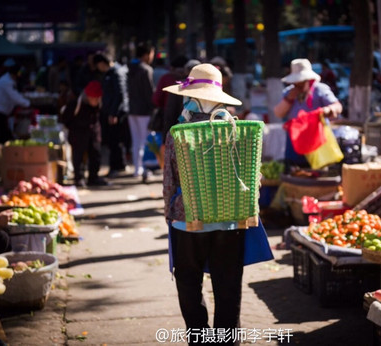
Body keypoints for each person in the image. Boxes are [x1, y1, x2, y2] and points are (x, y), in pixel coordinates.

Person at [162, 63, 273, 345]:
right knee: (228, 286)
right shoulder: (238, 131)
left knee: (189, 283)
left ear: (191, 97)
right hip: (231, 218)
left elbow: (170, 183)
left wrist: (169, 216)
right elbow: (255, 176)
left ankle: (198, 340)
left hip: (187, 221)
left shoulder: (179, 132)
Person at [273, 58, 343, 168]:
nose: (298, 84)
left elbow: (337, 106)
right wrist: (289, 99)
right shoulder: (288, 92)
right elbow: (278, 113)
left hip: (316, 138)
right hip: (295, 139)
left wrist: (328, 110)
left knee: (317, 171)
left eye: (301, 82)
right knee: (294, 169)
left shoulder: (320, 90)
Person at [62, 81, 109, 188]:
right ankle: (78, 178)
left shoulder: (100, 103)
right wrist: (74, 129)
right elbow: (65, 119)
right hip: (78, 134)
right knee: (78, 157)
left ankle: (93, 177)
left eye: (97, 99)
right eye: (93, 98)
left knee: (95, 154)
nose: (96, 101)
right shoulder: (75, 104)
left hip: (94, 133)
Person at [93, 52, 127, 177]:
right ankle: (119, 165)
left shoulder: (116, 73)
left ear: (102, 63)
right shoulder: (110, 73)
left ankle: (116, 167)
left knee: (115, 141)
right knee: (113, 141)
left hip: (115, 113)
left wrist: (113, 113)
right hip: (110, 112)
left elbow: (120, 95)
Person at [126, 43, 155, 180]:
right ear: (146, 54)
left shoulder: (129, 68)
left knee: (136, 140)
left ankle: (137, 169)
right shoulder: (146, 70)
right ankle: (143, 169)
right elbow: (149, 93)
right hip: (144, 110)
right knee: (144, 140)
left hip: (132, 109)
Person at [0, 59, 31, 144]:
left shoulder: (8, 80)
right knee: (1, 137)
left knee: (2, 136)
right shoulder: (7, 82)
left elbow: (16, 95)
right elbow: (14, 97)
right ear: (14, 74)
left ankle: (1, 153)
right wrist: (28, 103)